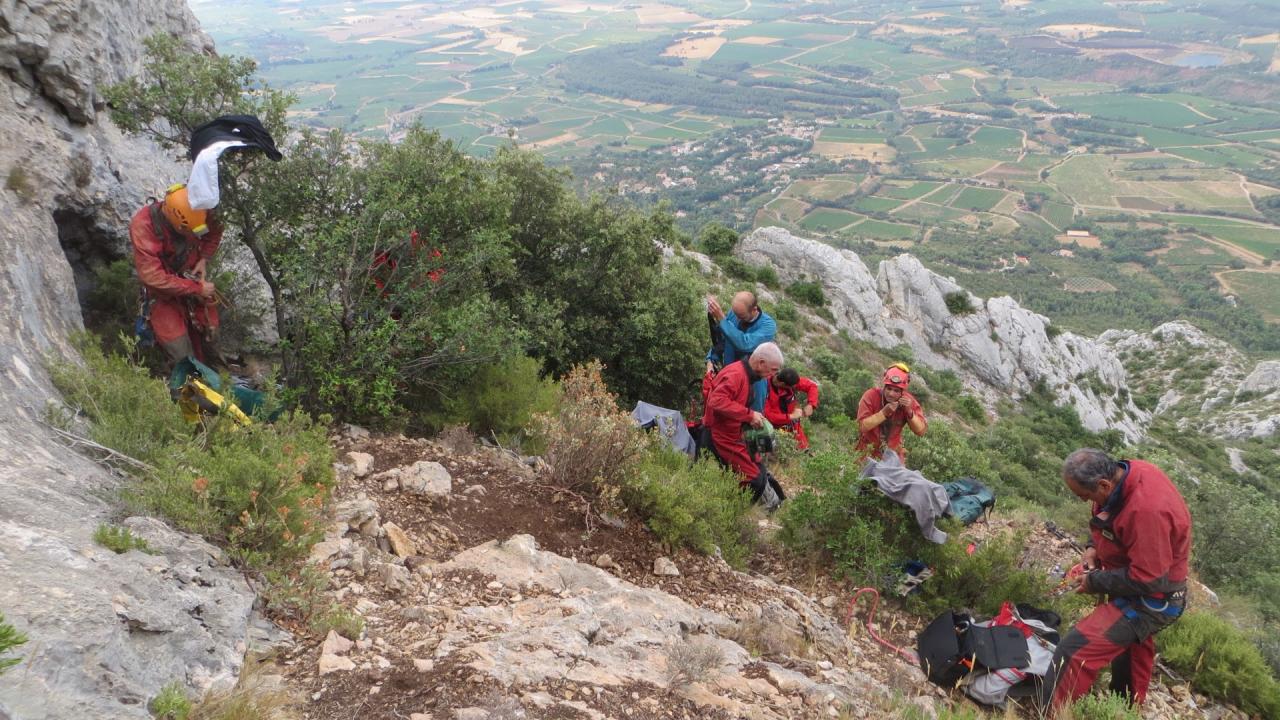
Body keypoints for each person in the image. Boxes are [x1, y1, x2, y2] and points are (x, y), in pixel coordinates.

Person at [1040, 449, 1191, 714]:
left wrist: (1095, 582)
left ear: (1103, 484)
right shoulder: (1124, 476)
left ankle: (1051, 715)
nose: (1084, 500)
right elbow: (1105, 514)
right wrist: (1092, 548)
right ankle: (1124, 711)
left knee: (1074, 652)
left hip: (1153, 599)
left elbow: (1149, 578)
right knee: (1129, 653)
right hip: (1139, 582)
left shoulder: (1147, 511)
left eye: (1084, 495)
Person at [130, 183, 225, 366]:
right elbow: (152, 277)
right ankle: (188, 390)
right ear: (178, 223)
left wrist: (204, 258)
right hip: (164, 294)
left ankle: (215, 379)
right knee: (180, 352)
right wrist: (196, 288)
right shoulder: (144, 226)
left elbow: (214, 231)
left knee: (210, 334)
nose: (193, 234)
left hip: (192, 280)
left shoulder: (197, 208)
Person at [701, 342, 783, 492]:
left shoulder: (747, 375)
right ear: (761, 363)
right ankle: (727, 508)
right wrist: (749, 415)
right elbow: (716, 401)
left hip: (733, 434)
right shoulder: (736, 375)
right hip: (719, 435)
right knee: (754, 480)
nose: (772, 376)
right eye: (772, 370)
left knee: (761, 473)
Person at [705, 291, 776, 412]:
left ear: (754, 309)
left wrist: (722, 318)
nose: (737, 318)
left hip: (753, 383)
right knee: (721, 410)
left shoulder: (768, 325)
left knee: (751, 416)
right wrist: (711, 359)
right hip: (729, 374)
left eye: (741, 316)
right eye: (736, 314)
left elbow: (744, 343)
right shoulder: (734, 314)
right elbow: (723, 338)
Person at [856, 363, 926, 462]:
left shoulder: (908, 401)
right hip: (867, 452)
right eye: (889, 388)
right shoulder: (871, 396)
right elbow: (862, 426)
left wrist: (909, 412)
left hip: (892, 456)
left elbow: (921, 431)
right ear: (884, 386)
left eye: (896, 391)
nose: (891, 394)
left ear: (902, 391)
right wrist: (883, 413)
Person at [764, 368, 819, 450]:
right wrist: (791, 416)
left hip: (792, 426)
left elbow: (811, 386)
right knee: (779, 453)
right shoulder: (764, 388)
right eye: (792, 387)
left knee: (804, 451)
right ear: (782, 383)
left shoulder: (789, 381)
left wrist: (811, 404)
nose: (795, 387)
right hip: (772, 428)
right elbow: (768, 416)